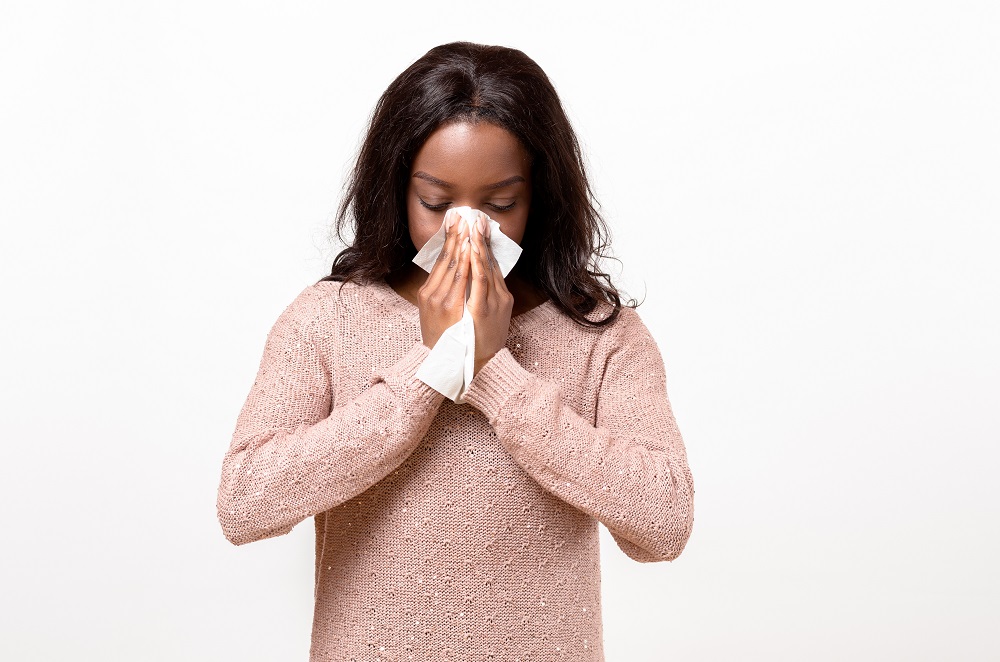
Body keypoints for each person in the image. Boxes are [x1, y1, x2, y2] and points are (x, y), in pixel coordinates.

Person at [217, 41, 695, 661]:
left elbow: (664, 522)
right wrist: (433, 369)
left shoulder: (600, 333)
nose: (466, 231)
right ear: (397, 187)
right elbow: (245, 503)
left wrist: (494, 373)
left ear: (539, 195)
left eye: (500, 205)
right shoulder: (327, 319)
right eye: (437, 204)